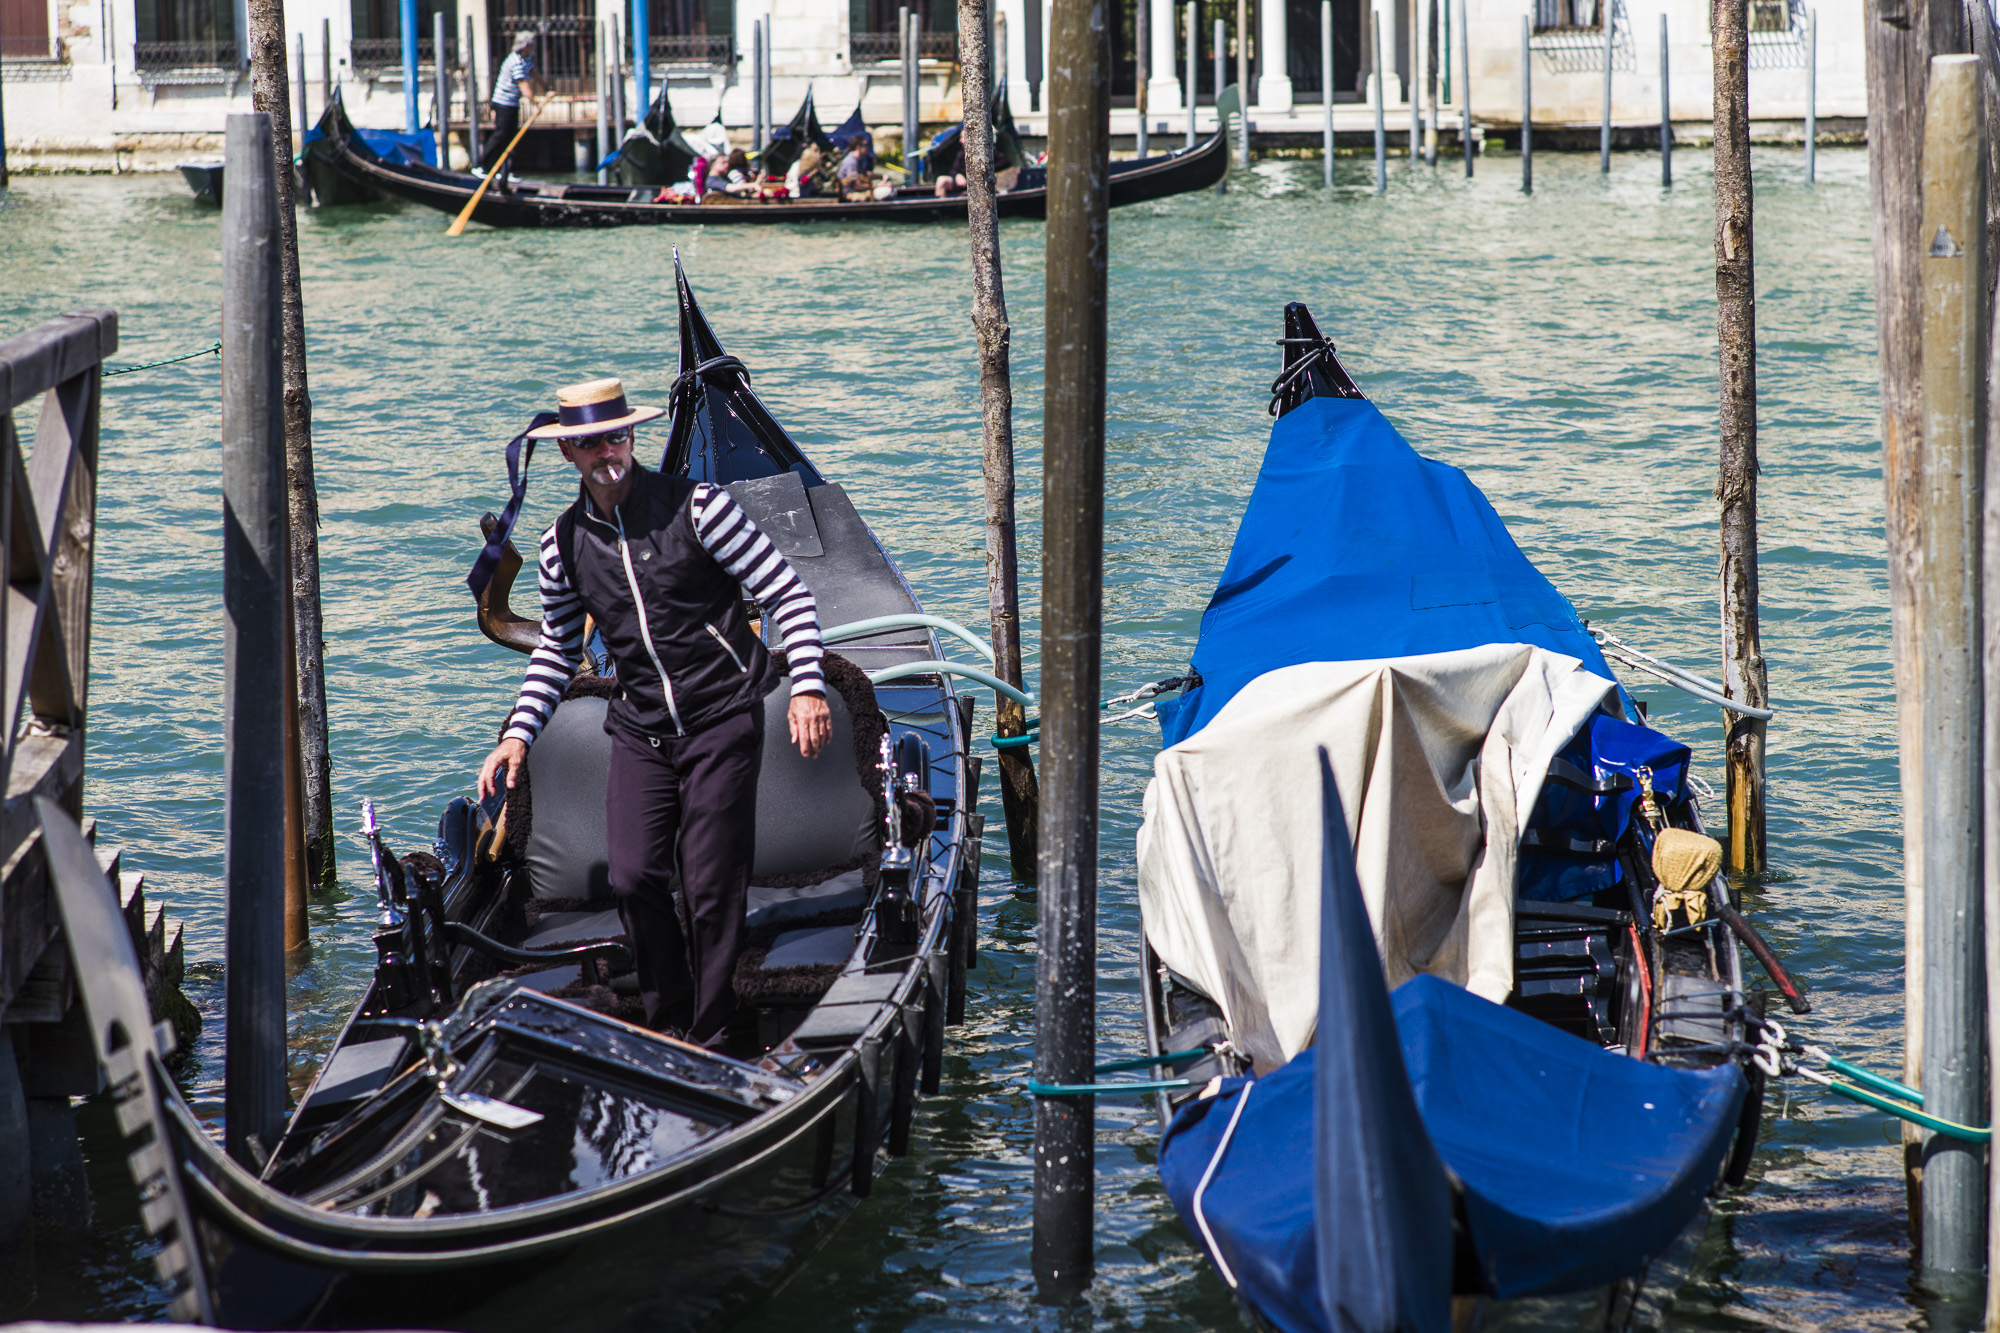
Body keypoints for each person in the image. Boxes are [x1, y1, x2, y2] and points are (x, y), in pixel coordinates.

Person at [477, 377, 833, 1048]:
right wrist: (519, 735)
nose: (607, 450)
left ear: (632, 436)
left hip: (723, 715)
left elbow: (789, 593)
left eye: (617, 435)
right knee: (634, 875)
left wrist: (809, 686)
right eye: (590, 442)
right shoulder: (562, 545)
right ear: (569, 454)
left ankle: (715, 1027)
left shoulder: (699, 509)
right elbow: (558, 648)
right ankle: (669, 1019)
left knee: (707, 883)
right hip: (641, 728)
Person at [478, 32, 545, 177]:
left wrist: (546, 87)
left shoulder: (527, 59)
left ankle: (504, 171)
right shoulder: (515, 61)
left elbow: (535, 73)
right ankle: (482, 167)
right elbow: (523, 85)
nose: (535, 47)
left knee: (510, 139)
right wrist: (535, 104)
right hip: (503, 103)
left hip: (513, 104)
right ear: (526, 46)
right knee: (501, 135)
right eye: (533, 44)